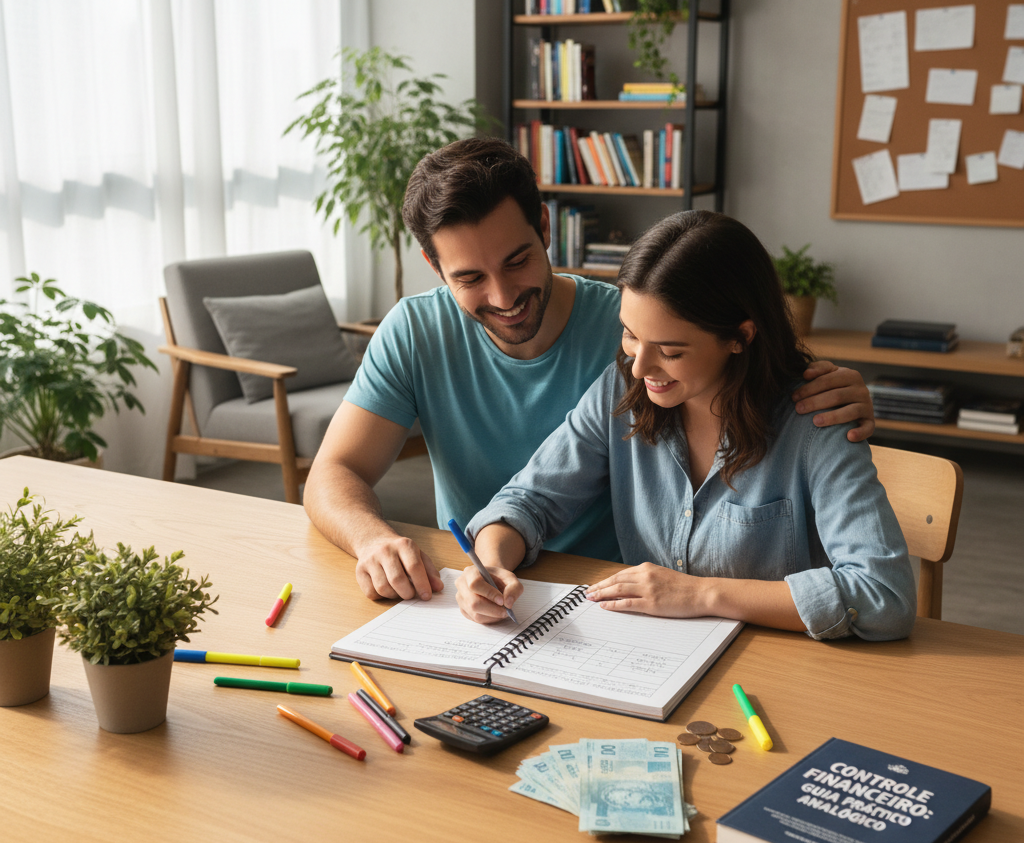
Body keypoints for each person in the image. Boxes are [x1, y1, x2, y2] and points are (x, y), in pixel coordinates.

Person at [304, 138, 878, 606]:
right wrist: (427, 548)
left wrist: (825, 393)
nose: (503, 296)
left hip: (636, 592)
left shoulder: (635, 320)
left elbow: (755, 360)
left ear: (546, 230)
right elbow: (523, 497)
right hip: (558, 603)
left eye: (517, 260)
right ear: (434, 265)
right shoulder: (620, 374)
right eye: (470, 278)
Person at [457, 210, 916, 642]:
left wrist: (700, 594)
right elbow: (529, 500)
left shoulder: (816, 419)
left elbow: (884, 596)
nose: (640, 369)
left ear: (740, 337)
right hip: (654, 659)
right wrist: (492, 565)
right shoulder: (621, 391)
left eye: (671, 351)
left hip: (780, 671)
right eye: (630, 335)